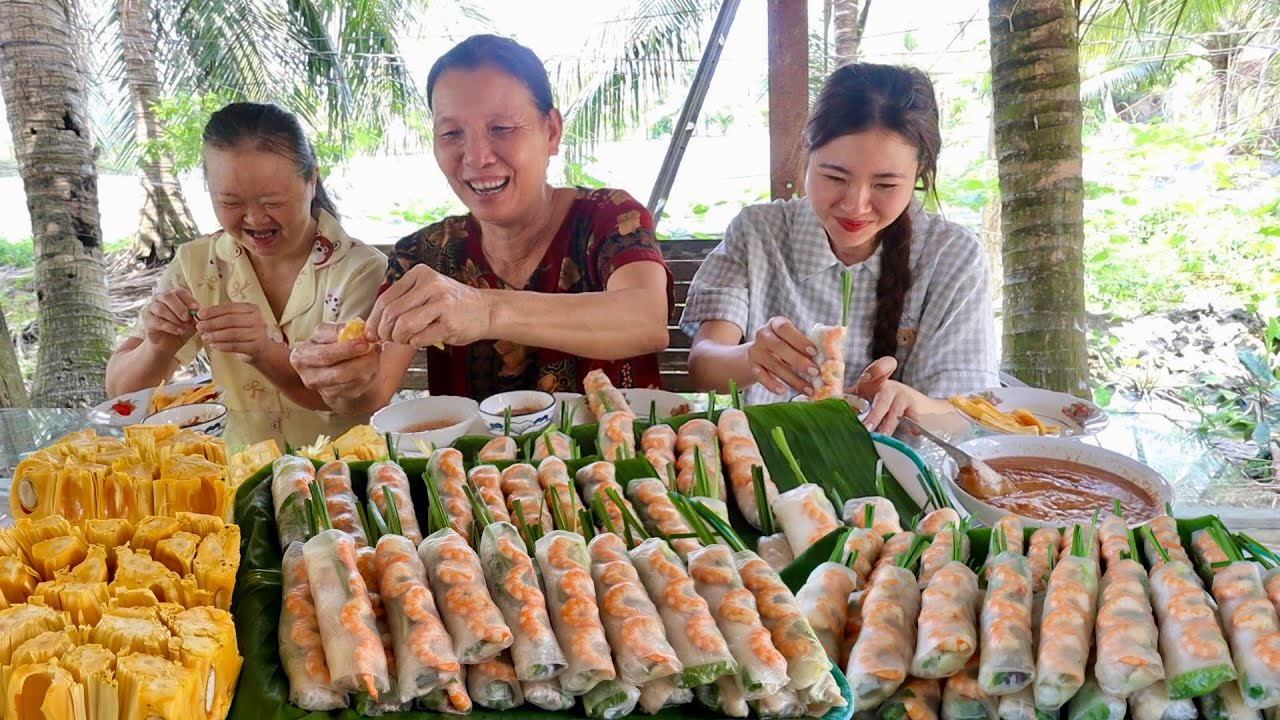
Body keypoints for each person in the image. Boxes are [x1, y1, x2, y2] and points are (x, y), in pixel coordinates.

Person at [289, 34, 671, 412]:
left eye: (501, 128)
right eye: (451, 133)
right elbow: (371, 394)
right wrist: (343, 376)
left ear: (551, 132)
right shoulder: (424, 255)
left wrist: (485, 310)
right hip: (474, 456)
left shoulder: (610, 218)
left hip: (617, 450)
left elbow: (646, 319)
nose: (476, 157)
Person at [681, 63, 999, 434]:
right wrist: (751, 356)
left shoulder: (952, 256)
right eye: (835, 177)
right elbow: (704, 365)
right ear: (807, 148)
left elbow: (967, 415)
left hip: (902, 466)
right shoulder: (758, 233)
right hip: (764, 458)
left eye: (885, 185)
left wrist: (911, 403)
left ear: (920, 170)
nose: (855, 206)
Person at [105, 102, 387, 444]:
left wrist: (263, 351)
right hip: (237, 469)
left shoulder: (359, 270)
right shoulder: (198, 265)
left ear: (312, 180)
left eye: (273, 203)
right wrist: (157, 347)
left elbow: (352, 400)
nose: (254, 219)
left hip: (340, 468)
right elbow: (120, 394)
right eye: (231, 203)